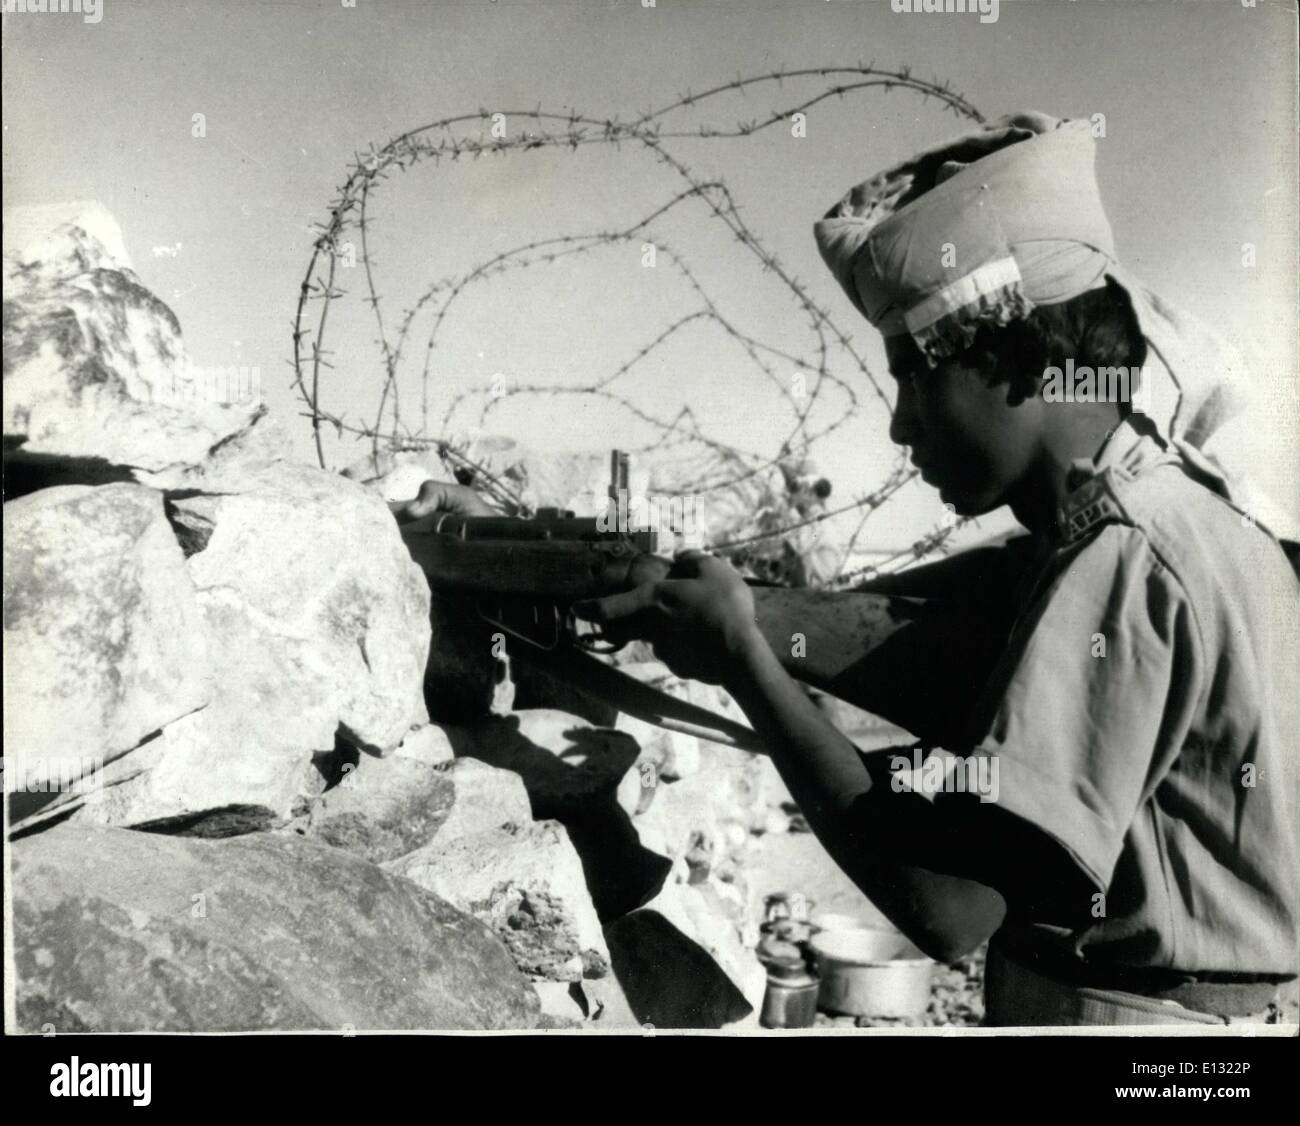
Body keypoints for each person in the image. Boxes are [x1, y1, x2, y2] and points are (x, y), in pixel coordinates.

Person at [397, 113, 1299, 1026]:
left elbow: (949, 910)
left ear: (1006, 358)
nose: (902, 426)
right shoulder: (1181, 523)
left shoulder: (1119, 557)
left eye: (912, 376)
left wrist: (743, 663)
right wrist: (657, 588)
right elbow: (898, 635)